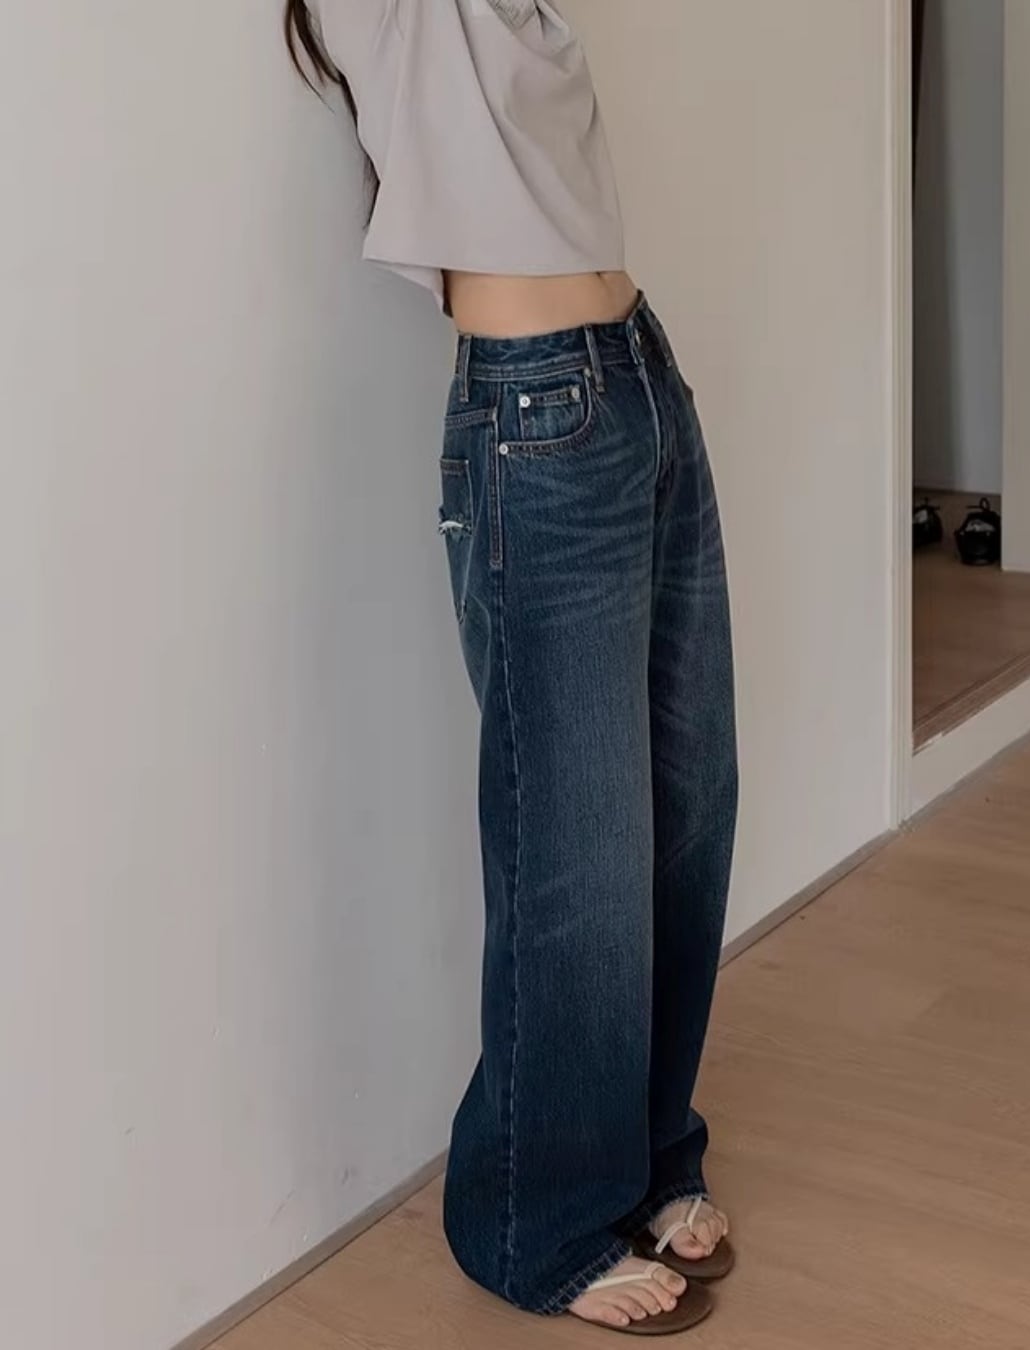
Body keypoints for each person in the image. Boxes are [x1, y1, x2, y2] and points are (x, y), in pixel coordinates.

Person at [286, 0, 739, 1335]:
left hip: (637, 376)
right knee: (576, 850)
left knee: (686, 804)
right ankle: (531, 1217)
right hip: (536, 416)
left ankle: (645, 1148)